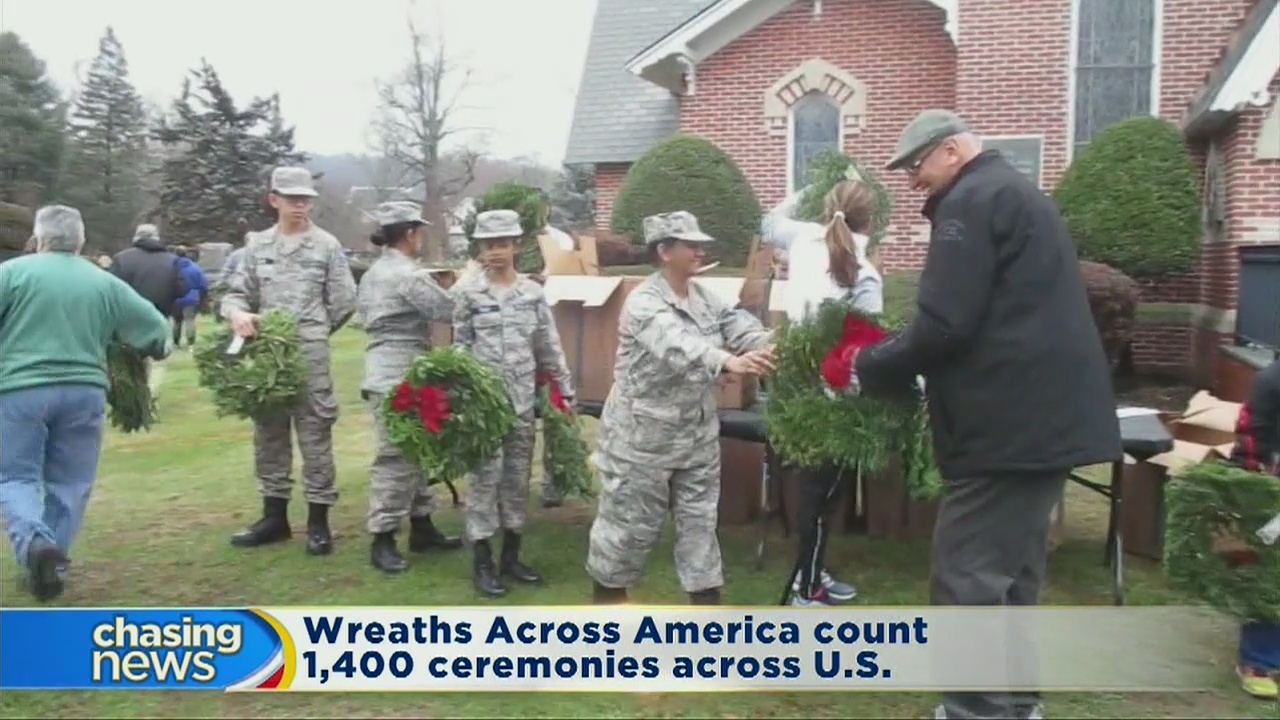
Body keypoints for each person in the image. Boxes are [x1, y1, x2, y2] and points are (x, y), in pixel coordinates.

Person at [854, 110, 1121, 720]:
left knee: (967, 577)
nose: (914, 182)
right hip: (1044, 422)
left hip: (1005, 426)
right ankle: (1018, 704)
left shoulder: (971, 200)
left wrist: (873, 364)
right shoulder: (1017, 194)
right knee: (1013, 578)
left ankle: (977, 711)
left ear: (951, 151)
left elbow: (946, 323)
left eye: (917, 166)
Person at [585, 211, 775, 606]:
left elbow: (738, 324)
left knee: (700, 527)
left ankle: (706, 615)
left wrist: (769, 344)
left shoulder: (705, 296)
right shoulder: (644, 303)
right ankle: (608, 607)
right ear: (664, 251)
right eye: (691, 244)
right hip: (641, 442)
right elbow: (676, 345)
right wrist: (727, 361)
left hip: (696, 436)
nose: (701, 250)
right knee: (628, 529)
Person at [0, 205, 171, 601]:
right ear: (80, 242)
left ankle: (35, 546)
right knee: (71, 482)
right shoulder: (102, 282)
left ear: (39, 238)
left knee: (14, 477)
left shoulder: (11, 274)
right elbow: (156, 333)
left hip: (19, 391)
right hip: (84, 391)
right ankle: (52, 565)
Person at [221, 166, 358, 557]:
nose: (300, 205)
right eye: (292, 198)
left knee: (315, 433)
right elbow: (234, 294)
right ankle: (274, 517)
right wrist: (238, 316)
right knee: (269, 433)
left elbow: (345, 300)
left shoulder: (326, 246)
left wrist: (313, 331)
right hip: (267, 355)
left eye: (306, 199)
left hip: (309, 354)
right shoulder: (256, 246)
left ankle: (318, 522)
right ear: (274, 200)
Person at [761, 179, 884, 607]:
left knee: (815, 490)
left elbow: (767, 221)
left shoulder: (801, 239)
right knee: (822, 494)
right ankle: (806, 587)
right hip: (834, 396)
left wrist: (806, 186)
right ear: (871, 220)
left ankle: (811, 572)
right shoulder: (864, 273)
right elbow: (865, 350)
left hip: (795, 387)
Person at [453, 209, 574, 598]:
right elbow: (459, 347)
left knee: (517, 478)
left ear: (516, 246)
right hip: (484, 407)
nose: (496, 251)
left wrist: (564, 391)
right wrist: (461, 393)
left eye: (503, 243)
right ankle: (483, 561)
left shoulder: (532, 294)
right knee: (484, 480)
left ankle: (512, 556)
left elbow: (548, 346)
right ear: (480, 249)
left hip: (522, 403)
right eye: (488, 245)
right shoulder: (468, 294)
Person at [357, 201, 463, 574]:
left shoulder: (374, 272)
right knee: (397, 456)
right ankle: (382, 537)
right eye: (419, 232)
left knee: (417, 450)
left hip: (386, 369)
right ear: (409, 234)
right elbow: (447, 310)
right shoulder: (405, 274)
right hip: (397, 374)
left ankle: (423, 527)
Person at [1226, 357, 1280, 697]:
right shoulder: (1272, 380)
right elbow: (1251, 438)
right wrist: (1248, 491)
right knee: (1269, 576)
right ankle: (1260, 659)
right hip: (1275, 493)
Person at [111, 224, 186, 396]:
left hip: (127, 317)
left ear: (136, 238)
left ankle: (129, 392)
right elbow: (181, 289)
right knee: (154, 357)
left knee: (127, 355)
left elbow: (111, 288)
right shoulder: (172, 260)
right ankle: (147, 392)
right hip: (159, 315)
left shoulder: (121, 259)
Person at [172, 246, 209, 349]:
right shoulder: (195, 267)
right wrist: (203, 296)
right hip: (191, 298)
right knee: (190, 320)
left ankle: (175, 343)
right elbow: (203, 284)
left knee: (176, 321)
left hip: (175, 298)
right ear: (187, 254)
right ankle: (190, 344)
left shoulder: (171, 267)